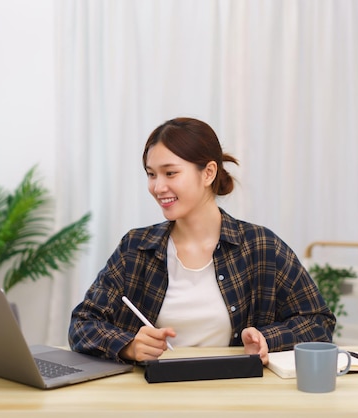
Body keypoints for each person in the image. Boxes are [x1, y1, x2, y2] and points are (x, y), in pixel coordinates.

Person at [68, 117, 335, 365]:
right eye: (151, 174)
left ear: (208, 173)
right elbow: (83, 324)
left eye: (170, 173)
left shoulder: (260, 246)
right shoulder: (136, 248)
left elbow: (318, 322)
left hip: (236, 394)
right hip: (154, 394)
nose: (158, 187)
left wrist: (268, 339)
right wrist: (127, 345)